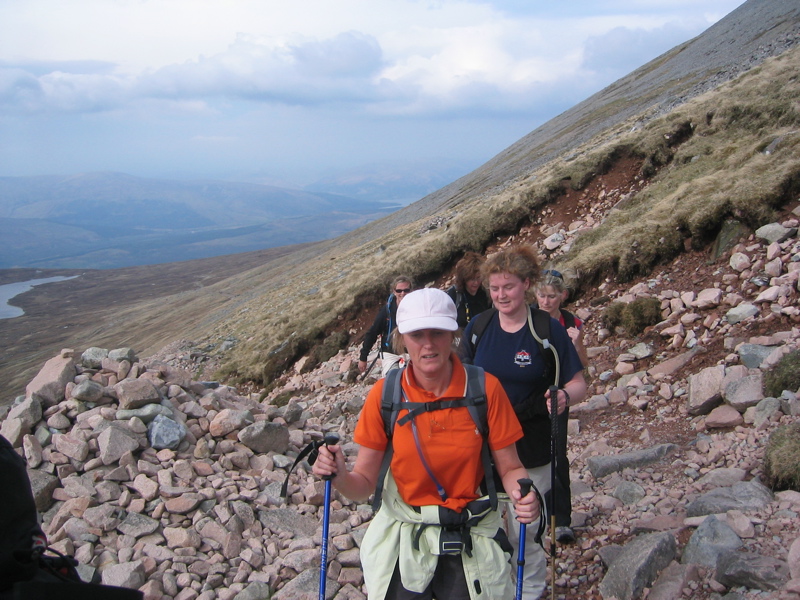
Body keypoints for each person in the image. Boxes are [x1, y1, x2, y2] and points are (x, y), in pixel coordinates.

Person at [313, 288, 539, 600]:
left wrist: (524, 494)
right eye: (418, 334)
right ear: (402, 338)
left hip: (468, 533)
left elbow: (511, 467)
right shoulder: (384, 395)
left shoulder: (485, 389)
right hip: (405, 537)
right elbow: (363, 486)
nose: (428, 344)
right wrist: (338, 475)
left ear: (453, 335)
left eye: (438, 332)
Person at [459, 246, 587, 600]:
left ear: (526, 284)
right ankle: (492, 587)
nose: (501, 295)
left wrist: (565, 397)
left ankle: (528, 590)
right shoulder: (479, 328)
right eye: (495, 288)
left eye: (509, 287)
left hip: (532, 441)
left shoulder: (547, 329)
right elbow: (461, 380)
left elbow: (579, 381)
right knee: (485, 523)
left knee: (525, 525)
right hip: (484, 443)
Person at [533, 268, 589, 545]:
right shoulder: (527, 318)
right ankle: (532, 517)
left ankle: (561, 520)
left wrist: (577, 344)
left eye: (552, 296)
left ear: (563, 296)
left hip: (557, 396)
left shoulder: (572, 323)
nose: (546, 302)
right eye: (542, 296)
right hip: (529, 393)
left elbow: (583, 366)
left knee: (557, 455)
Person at [359, 276, 414, 378]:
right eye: (399, 290)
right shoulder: (386, 311)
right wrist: (363, 358)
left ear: (411, 290)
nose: (403, 293)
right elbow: (373, 333)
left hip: (412, 352)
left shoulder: (418, 308)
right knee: (391, 379)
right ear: (394, 291)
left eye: (406, 290)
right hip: (390, 353)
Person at [445, 252, 492, 328]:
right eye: (471, 279)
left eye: (478, 278)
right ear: (464, 278)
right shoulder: (453, 295)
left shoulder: (487, 293)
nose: (476, 282)